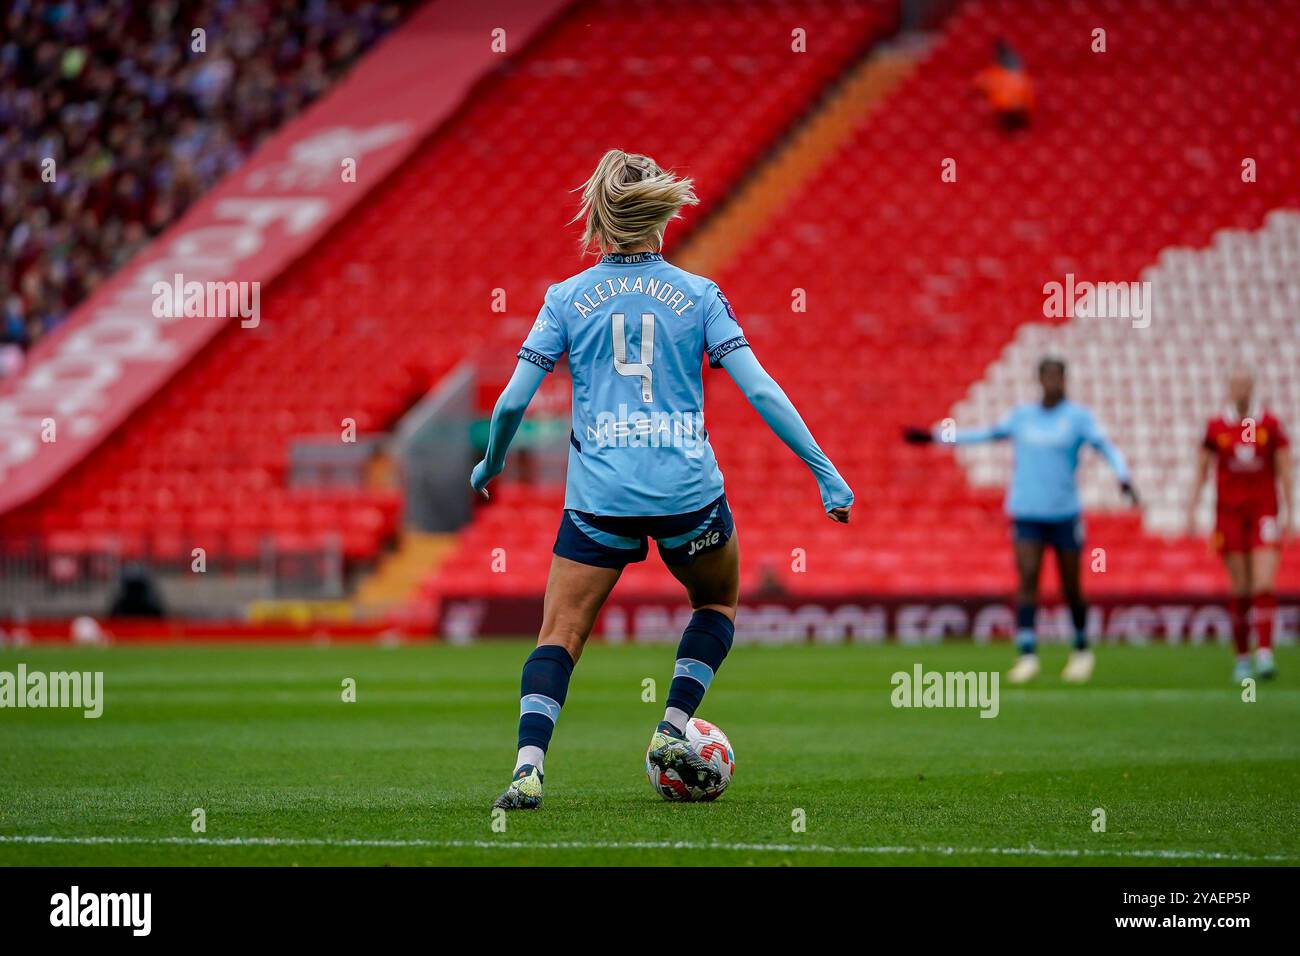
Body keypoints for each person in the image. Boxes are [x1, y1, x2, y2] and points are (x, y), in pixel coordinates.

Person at [472, 149, 853, 809]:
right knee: (716, 604)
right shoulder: (699, 295)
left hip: (600, 494)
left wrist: (492, 461)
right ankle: (672, 728)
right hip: (688, 491)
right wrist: (827, 474)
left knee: (559, 634)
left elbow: (509, 403)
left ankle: (527, 769)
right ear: (660, 214)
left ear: (599, 213)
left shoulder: (565, 298)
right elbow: (760, 391)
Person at [904, 356, 1138, 683]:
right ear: (1040, 380)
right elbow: (983, 435)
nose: (1054, 383)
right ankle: (1027, 654)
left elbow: (1106, 447)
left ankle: (1081, 650)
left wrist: (1123, 477)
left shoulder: (1077, 418)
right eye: (1048, 377)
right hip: (1027, 512)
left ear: (1065, 380)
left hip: (1064, 513)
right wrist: (934, 437)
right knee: (1027, 577)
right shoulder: (1022, 417)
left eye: (1059, 377)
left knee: (1071, 585)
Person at [1186, 368, 1292, 682]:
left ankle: (1265, 653)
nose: (1242, 390)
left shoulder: (1269, 425)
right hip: (1229, 515)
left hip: (1264, 512)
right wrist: (1192, 509)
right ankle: (1242, 657)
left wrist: (1291, 509)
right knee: (1241, 589)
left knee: (1264, 584)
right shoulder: (1216, 427)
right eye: (1237, 385)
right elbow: (1201, 470)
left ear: (1253, 388)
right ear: (1230, 389)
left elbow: (1284, 467)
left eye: (1247, 385)